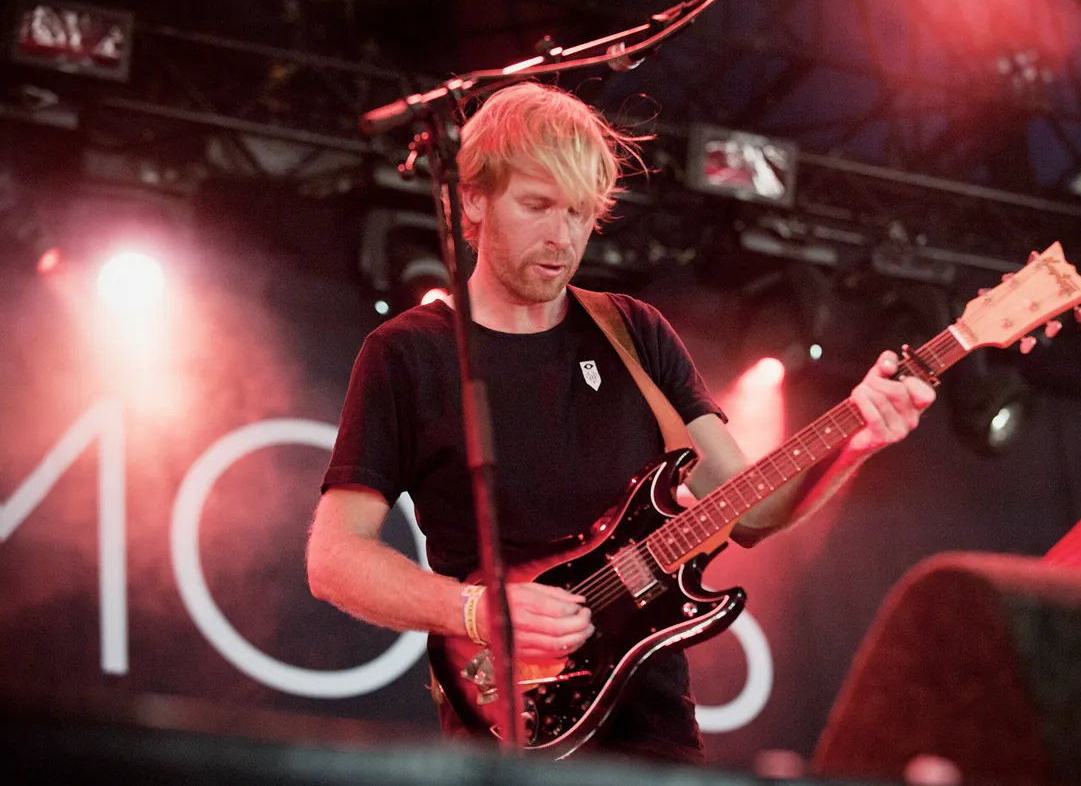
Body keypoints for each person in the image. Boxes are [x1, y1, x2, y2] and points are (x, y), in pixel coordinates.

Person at [307, 81, 936, 764]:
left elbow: (751, 508)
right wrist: (473, 611)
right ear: (474, 200)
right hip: (511, 732)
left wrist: (856, 440)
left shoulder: (632, 331)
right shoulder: (408, 352)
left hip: (655, 734)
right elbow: (335, 558)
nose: (563, 236)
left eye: (580, 213)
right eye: (538, 205)